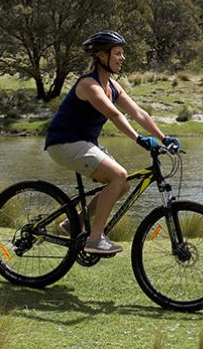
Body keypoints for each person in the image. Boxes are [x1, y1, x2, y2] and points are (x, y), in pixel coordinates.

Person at [44, 30, 177, 257]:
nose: (122, 58)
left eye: (122, 53)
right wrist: (139, 139)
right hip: (64, 143)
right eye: (117, 53)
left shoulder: (113, 87)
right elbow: (116, 115)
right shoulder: (89, 85)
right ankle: (95, 239)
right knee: (118, 176)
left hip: (84, 143)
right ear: (102, 57)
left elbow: (138, 113)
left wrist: (164, 138)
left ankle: (73, 223)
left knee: (122, 185)